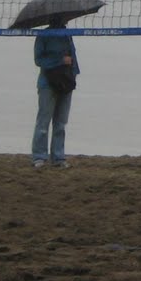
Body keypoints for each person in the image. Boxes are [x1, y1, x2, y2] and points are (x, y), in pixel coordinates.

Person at [31, 16, 79, 169]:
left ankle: (58, 157)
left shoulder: (67, 34)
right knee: (43, 123)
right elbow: (39, 60)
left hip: (65, 82)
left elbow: (73, 58)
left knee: (61, 123)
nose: (65, 20)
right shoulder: (44, 35)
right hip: (48, 83)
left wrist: (73, 75)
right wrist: (59, 60)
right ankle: (39, 157)